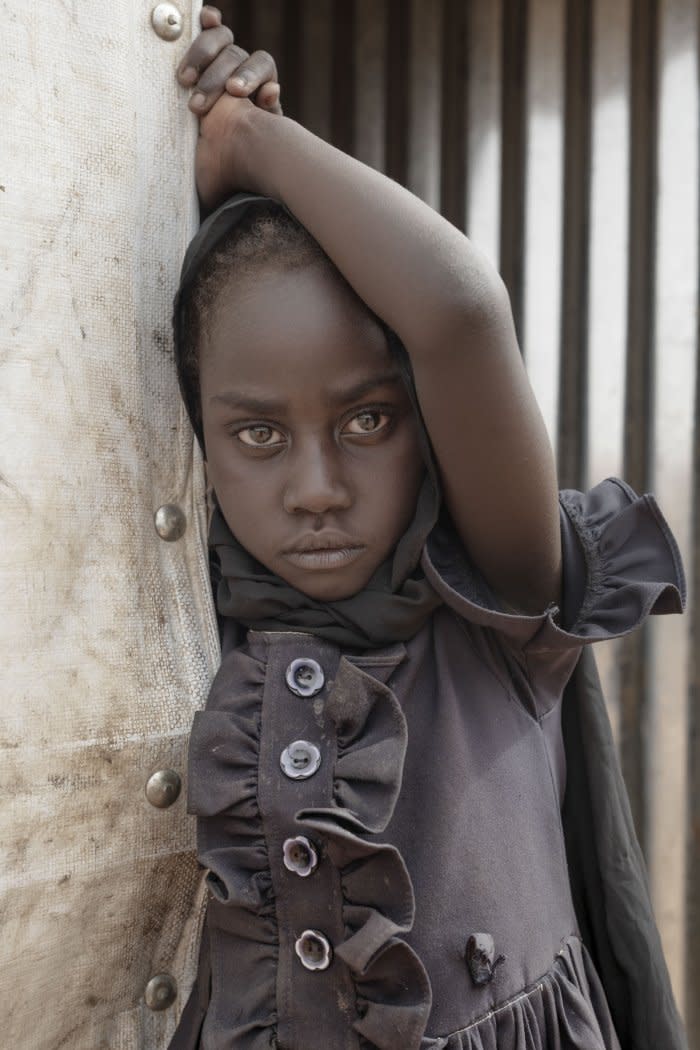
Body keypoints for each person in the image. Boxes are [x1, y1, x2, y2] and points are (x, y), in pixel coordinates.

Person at [168, 9, 688, 1049]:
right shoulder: (185, 640)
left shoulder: (493, 604)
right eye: (258, 433)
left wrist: (251, 141)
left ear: (424, 419)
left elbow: (456, 310)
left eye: (367, 419)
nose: (317, 489)